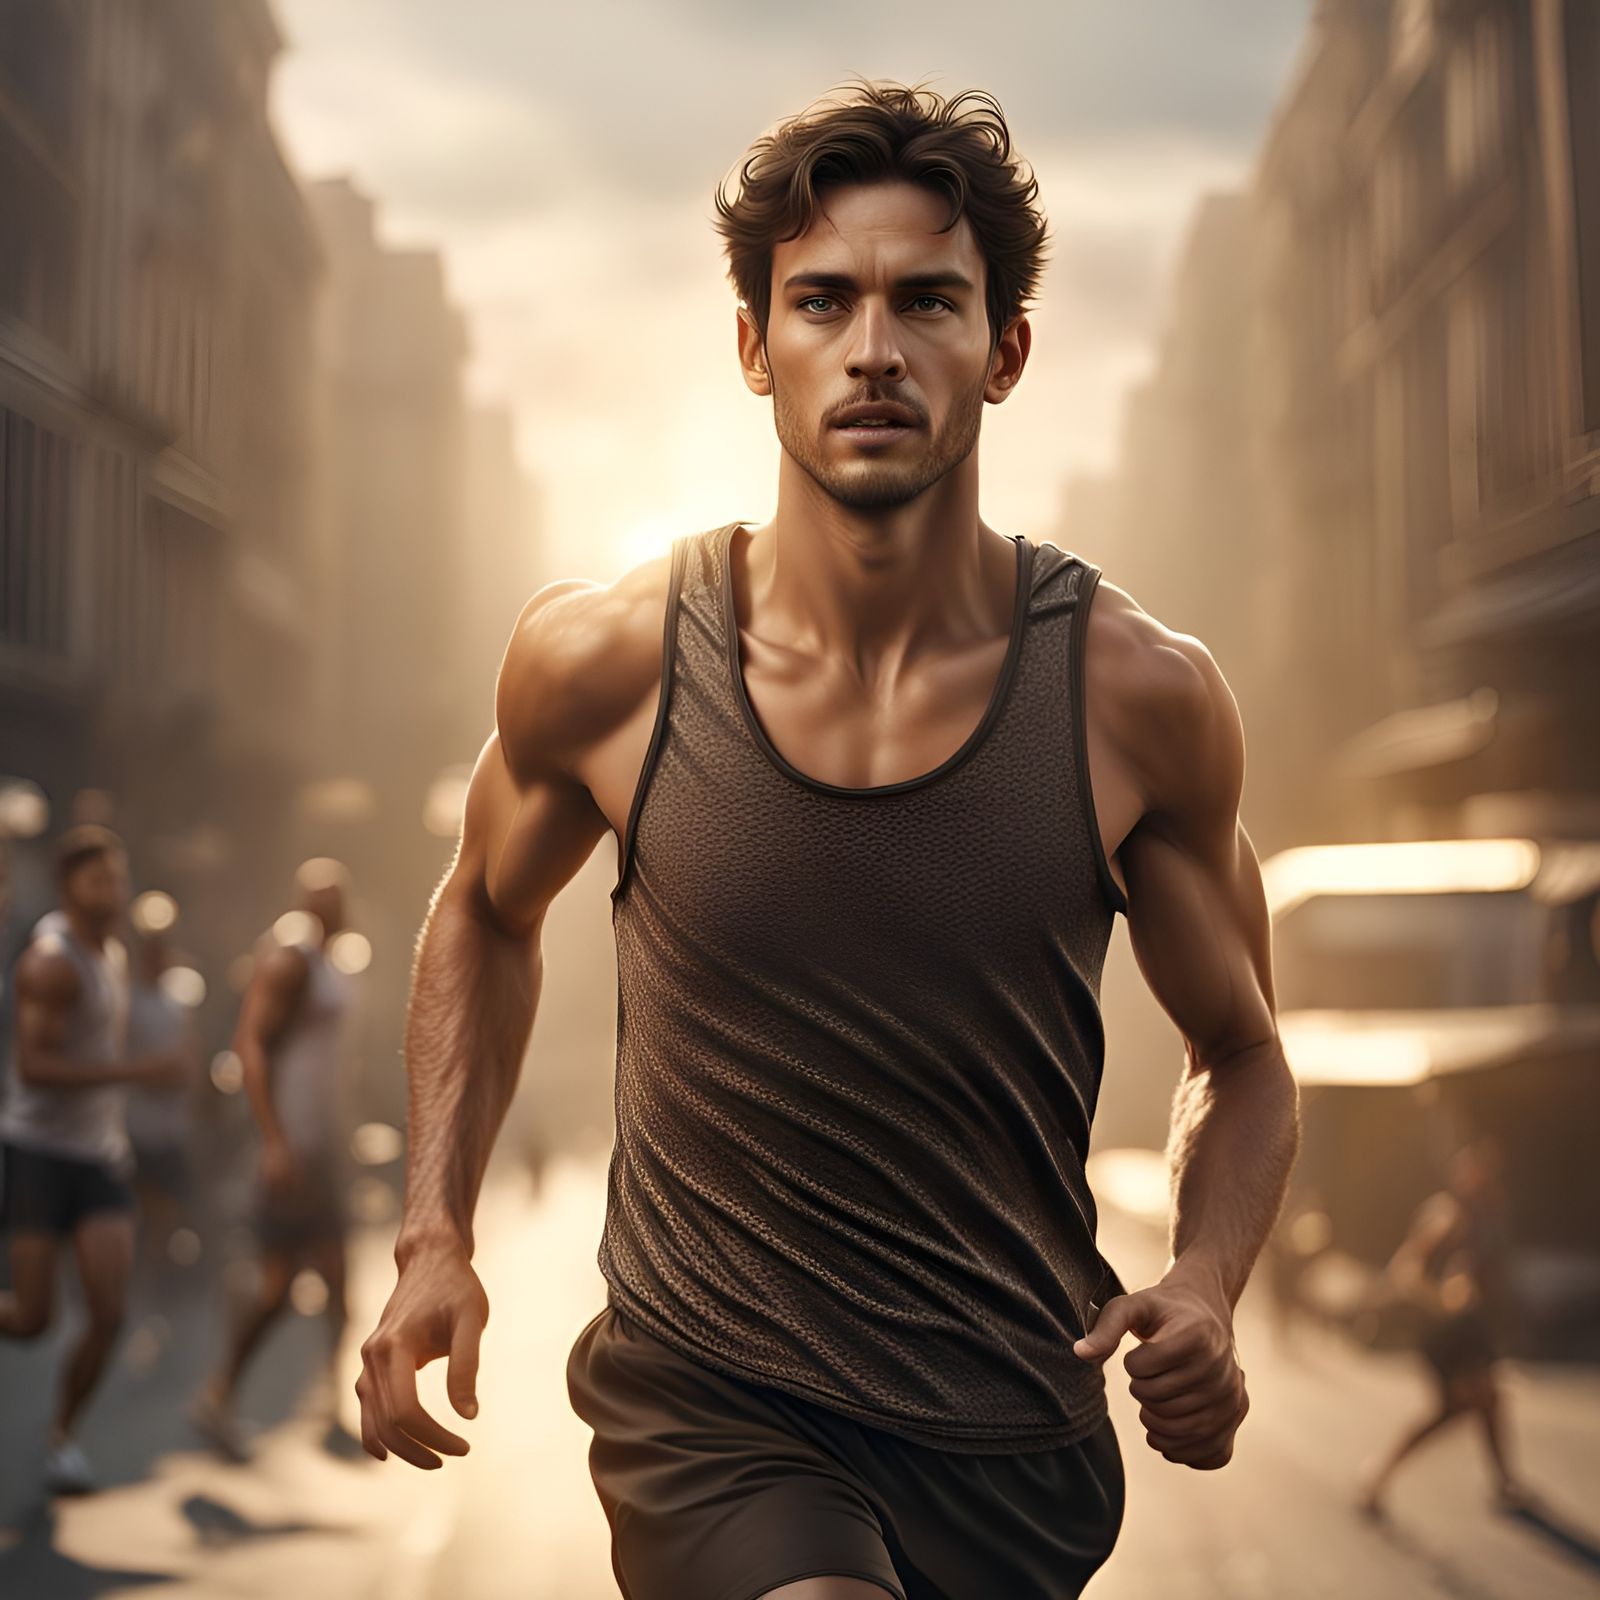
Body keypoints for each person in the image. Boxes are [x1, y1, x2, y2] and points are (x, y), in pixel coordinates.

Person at [355, 79, 1300, 1600]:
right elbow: (482, 909)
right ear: (754, 347)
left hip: (1011, 1436)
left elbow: (1243, 1052)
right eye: (822, 301)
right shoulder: (607, 663)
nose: (873, 349)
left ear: (1004, 353)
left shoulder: (1141, 698)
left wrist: (1205, 1280)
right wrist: (432, 1235)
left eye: (928, 301)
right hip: (714, 1400)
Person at [0, 824, 185, 1494]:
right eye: (100, 880)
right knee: (31, 1319)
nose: (115, 891)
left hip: (99, 1156)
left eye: (119, 877)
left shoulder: (113, 951)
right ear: (67, 887)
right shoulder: (50, 961)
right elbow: (34, 1065)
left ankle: (61, 1440)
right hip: (39, 1152)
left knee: (108, 1314)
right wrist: (137, 1071)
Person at [189, 858, 357, 1461]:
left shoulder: (332, 963)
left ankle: (332, 1398)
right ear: (305, 903)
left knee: (338, 1285)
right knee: (278, 1289)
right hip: (292, 1154)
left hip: (322, 1151)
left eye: (337, 895)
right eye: (321, 897)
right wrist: (277, 1140)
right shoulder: (290, 957)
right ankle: (217, 1395)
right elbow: (250, 1047)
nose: (332, 907)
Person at [1357, 1136, 1532, 1518]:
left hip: (1471, 1329)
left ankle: (1503, 1481)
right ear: (1461, 1174)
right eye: (1475, 1170)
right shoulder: (1447, 1214)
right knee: (1466, 1403)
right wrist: (1443, 1299)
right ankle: (1378, 1475)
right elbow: (1406, 1271)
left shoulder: (1489, 1215)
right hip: (1445, 1332)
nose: (1484, 1178)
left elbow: (1489, 1276)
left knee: (1485, 1400)